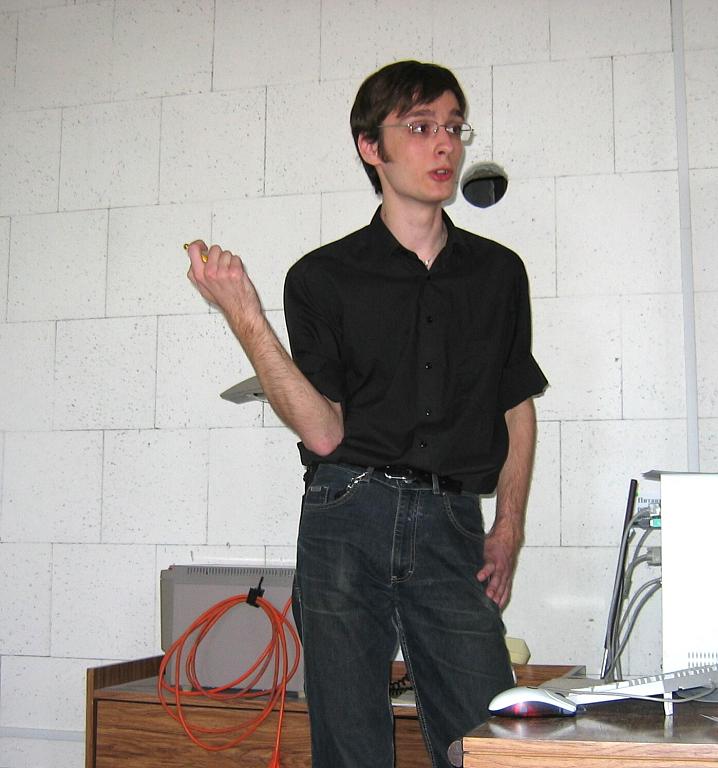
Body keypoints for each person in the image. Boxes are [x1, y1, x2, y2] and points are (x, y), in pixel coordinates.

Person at [186, 60, 547, 768]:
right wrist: (245, 316)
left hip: (452, 524)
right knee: (351, 746)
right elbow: (325, 433)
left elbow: (516, 407)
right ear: (370, 146)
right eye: (419, 126)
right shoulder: (321, 277)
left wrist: (509, 524)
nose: (444, 144)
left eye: (454, 128)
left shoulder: (498, 273)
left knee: (488, 743)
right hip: (347, 514)